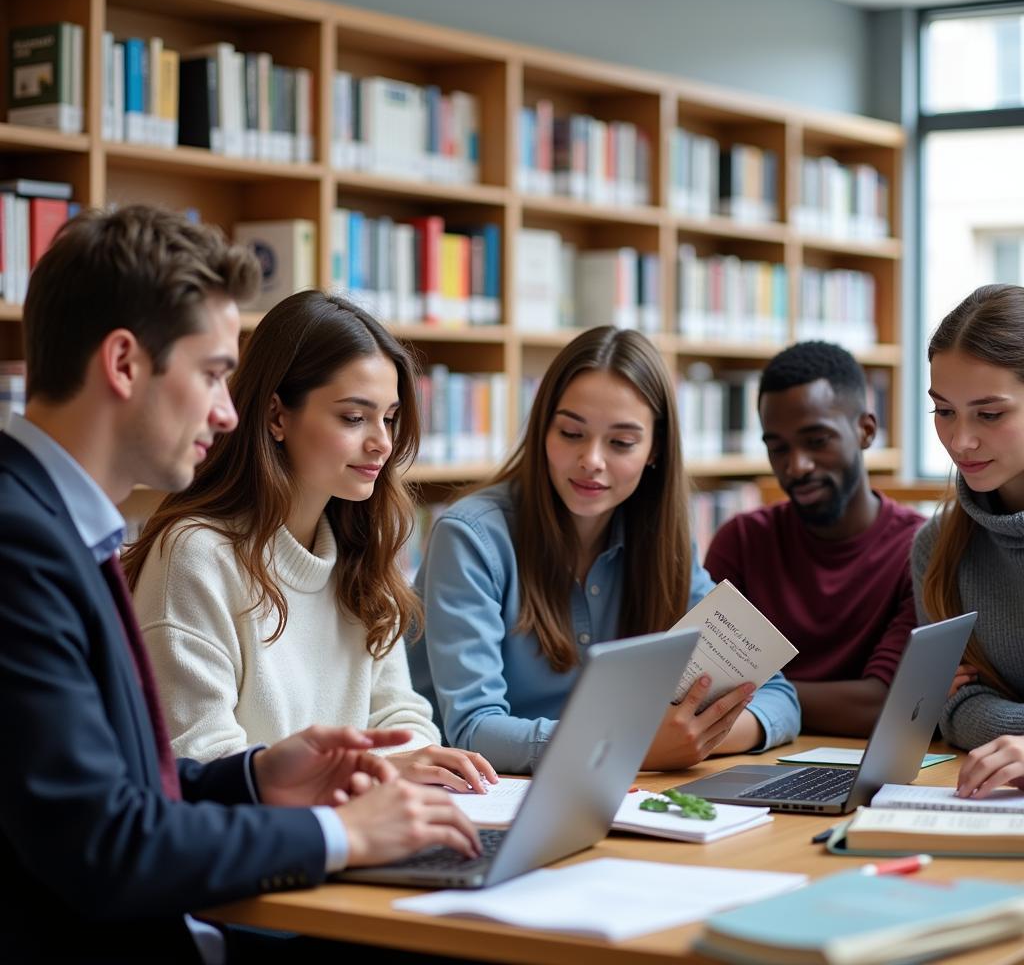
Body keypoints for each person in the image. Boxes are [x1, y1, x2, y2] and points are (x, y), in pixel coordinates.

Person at [0, 205, 479, 964]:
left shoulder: (58, 527)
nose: (229, 412)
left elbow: (126, 790)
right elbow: (99, 841)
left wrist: (255, 776)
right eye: (214, 374)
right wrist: (342, 830)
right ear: (124, 364)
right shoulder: (19, 541)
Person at [124, 290, 497, 794]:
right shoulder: (195, 556)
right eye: (353, 417)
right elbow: (202, 764)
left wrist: (403, 765)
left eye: (388, 417)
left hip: (352, 829)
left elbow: (402, 717)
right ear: (277, 416)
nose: (382, 443)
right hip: (258, 854)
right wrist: (379, 773)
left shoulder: (363, 548)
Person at [409, 326, 799, 774]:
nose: (592, 459)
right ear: (542, 430)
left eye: (621, 443)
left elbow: (778, 698)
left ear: (655, 450)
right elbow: (474, 730)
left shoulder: (663, 544)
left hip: (613, 789)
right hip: (483, 799)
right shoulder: (471, 537)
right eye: (571, 432)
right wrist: (632, 747)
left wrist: (698, 735)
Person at [704, 341, 924, 737]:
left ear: (866, 431)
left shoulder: (920, 549)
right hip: (750, 755)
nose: (796, 466)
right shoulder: (741, 541)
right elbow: (703, 689)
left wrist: (755, 697)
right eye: (778, 448)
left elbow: (890, 706)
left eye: (817, 441)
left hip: (864, 768)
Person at [913, 283, 1024, 800]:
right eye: (944, 411)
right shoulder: (938, 548)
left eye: (990, 413)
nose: (961, 441)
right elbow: (951, 705)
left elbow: (971, 708)